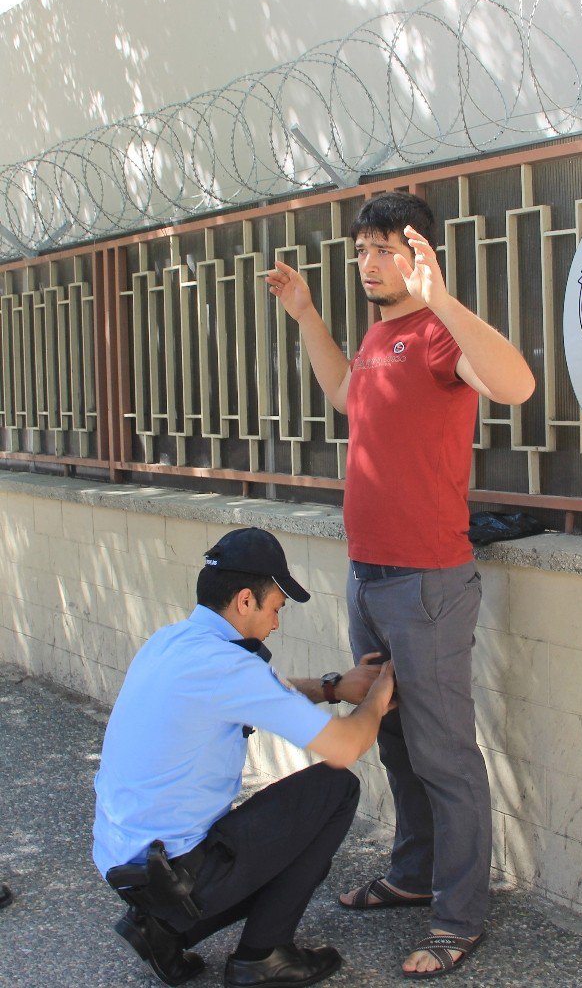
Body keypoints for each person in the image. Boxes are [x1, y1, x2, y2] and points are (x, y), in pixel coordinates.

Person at [267, 192, 535, 979]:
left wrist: (443, 299)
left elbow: (515, 386)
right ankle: (414, 874)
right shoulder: (382, 337)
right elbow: (350, 400)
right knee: (391, 736)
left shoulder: (436, 332)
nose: (371, 262)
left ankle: (459, 917)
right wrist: (309, 316)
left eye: (386, 248)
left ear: (416, 252)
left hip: (427, 581)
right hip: (368, 575)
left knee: (445, 752)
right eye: (364, 251)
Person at [93, 526, 395, 988]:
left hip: (128, 867)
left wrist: (332, 688)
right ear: (245, 601)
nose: (276, 623)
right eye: (276, 608)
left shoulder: (171, 642)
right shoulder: (229, 667)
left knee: (279, 838)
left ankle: (160, 929)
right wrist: (378, 695)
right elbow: (345, 746)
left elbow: (252, 694)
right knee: (335, 789)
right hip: (179, 871)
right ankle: (263, 956)